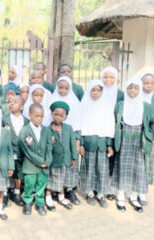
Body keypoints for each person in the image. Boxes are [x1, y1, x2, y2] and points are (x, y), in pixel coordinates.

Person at [112, 78, 154, 213]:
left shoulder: (146, 106)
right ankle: (120, 196)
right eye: (130, 88)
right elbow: (115, 121)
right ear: (125, 89)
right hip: (124, 140)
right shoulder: (120, 104)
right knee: (122, 168)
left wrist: (153, 138)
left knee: (138, 169)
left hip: (139, 141)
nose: (132, 91)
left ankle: (133, 197)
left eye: (135, 88)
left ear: (140, 89)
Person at [79, 80, 114, 208]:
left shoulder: (106, 106)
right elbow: (80, 125)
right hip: (89, 143)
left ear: (102, 92)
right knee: (89, 168)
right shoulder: (84, 105)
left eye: (98, 90)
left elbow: (110, 126)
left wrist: (109, 144)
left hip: (102, 144)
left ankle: (100, 194)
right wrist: (81, 144)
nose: (95, 93)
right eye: (93, 90)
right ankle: (89, 193)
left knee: (102, 169)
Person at [47, 76, 82, 205]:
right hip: (54, 151)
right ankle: (50, 194)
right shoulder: (51, 100)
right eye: (60, 87)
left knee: (68, 172)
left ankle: (69, 191)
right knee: (53, 174)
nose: (63, 90)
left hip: (68, 145)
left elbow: (78, 125)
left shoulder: (74, 102)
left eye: (66, 88)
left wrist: (77, 145)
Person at [19, 103, 52, 216]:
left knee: (41, 185)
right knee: (29, 184)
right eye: (36, 116)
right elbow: (26, 150)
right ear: (29, 115)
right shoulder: (25, 130)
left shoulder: (46, 130)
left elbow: (49, 148)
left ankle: (39, 203)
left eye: (41, 116)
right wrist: (40, 161)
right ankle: (27, 202)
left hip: (44, 166)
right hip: (30, 165)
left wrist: (47, 161)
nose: (39, 119)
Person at [45, 101, 78, 211]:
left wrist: (74, 158)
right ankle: (48, 197)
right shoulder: (47, 130)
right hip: (53, 161)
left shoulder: (68, 128)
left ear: (65, 117)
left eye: (61, 115)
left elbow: (72, 144)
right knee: (51, 179)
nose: (58, 117)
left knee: (62, 179)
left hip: (65, 160)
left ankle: (61, 197)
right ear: (51, 114)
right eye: (56, 114)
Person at [100, 66, 124, 201]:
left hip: (116, 131)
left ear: (116, 79)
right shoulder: (98, 91)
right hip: (100, 130)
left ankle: (110, 188)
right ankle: (100, 186)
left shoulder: (121, 94)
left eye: (111, 77)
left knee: (113, 159)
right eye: (105, 76)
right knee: (101, 159)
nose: (108, 80)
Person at [2, 95, 29, 207]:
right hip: (7, 151)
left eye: (15, 102)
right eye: (10, 101)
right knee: (6, 171)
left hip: (20, 151)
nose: (11, 103)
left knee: (18, 172)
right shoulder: (4, 119)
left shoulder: (26, 121)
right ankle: (4, 193)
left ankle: (16, 192)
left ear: (21, 107)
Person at [140, 73, 154, 205]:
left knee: (147, 165)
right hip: (136, 135)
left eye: (152, 83)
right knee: (137, 164)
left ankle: (143, 193)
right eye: (146, 83)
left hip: (150, 137)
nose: (149, 86)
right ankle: (133, 191)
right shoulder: (135, 96)